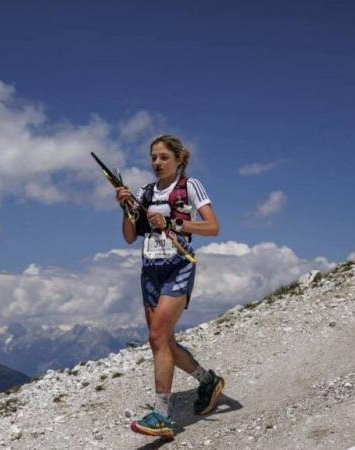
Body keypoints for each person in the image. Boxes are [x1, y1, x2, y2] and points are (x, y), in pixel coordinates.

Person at [115, 134, 225, 439]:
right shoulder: (145, 192)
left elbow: (213, 227)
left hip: (178, 265)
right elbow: (128, 236)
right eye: (153, 157)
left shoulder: (190, 186)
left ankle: (161, 415)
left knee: (157, 335)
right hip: (149, 270)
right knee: (161, 342)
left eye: (163, 157)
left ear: (179, 159)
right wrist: (126, 208)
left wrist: (174, 224)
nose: (157, 163)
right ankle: (207, 381)